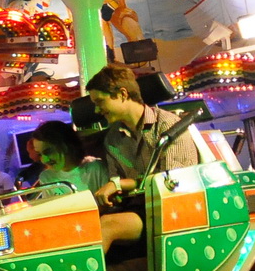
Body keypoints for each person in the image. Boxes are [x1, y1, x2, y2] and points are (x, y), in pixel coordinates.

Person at [85, 65, 200, 252]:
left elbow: (172, 184)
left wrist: (120, 184)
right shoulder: (113, 138)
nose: (97, 110)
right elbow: (119, 187)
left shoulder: (168, 126)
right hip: (139, 209)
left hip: (172, 210)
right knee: (84, 225)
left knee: (108, 225)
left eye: (100, 102)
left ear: (122, 94)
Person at [26, 120, 109, 194]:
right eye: (40, 154)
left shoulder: (95, 168)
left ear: (65, 146)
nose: (44, 160)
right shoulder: (46, 177)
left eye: (48, 152)